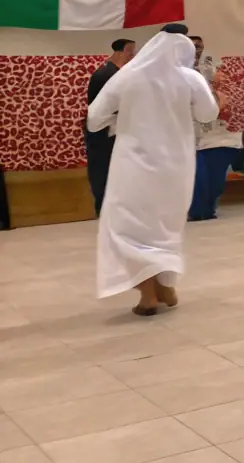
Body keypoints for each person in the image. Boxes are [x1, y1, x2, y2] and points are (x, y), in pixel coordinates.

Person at [87, 24, 218, 316]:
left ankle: (148, 294)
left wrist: (127, 115)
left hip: (132, 165)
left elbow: (94, 118)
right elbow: (208, 113)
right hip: (176, 166)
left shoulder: (128, 75)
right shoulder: (190, 78)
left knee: (129, 228)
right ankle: (164, 283)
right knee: (164, 229)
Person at [84, 38, 136, 215]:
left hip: (114, 129)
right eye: (130, 51)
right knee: (102, 170)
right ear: (120, 52)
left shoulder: (119, 73)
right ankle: (105, 209)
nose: (133, 55)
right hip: (101, 130)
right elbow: (102, 107)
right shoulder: (105, 74)